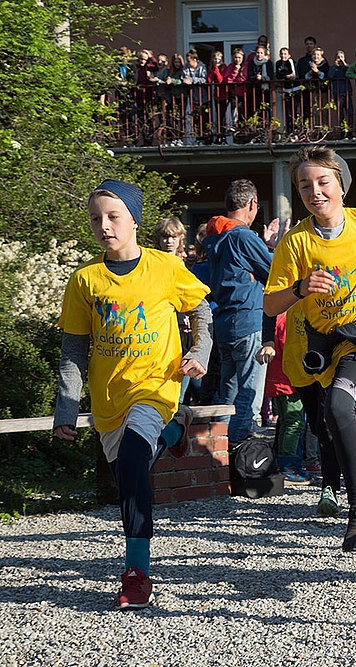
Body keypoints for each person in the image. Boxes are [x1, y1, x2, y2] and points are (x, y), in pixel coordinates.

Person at [54, 179, 212, 609]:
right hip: (109, 398)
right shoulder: (85, 280)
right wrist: (66, 407)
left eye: (113, 216)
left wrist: (198, 353)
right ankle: (177, 433)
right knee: (129, 473)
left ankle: (136, 572)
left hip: (157, 385)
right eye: (95, 219)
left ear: (135, 219)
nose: (104, 225)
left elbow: (201, 311)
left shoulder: (164, 267)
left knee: (132, 461)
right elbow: (74, 348)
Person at [263, 146, 356, 552]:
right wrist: (299, 289)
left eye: (324, 182)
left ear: (341, 184)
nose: (315, 192)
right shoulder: (296, 242)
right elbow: (270, 303)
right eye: (305, 185)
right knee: (352, 425)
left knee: (339, 407)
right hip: (326, 344)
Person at [202, 180, 272, 445]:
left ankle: (217, 447)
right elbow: (274, 270)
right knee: (249, 392)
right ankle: (239, 448)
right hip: (247, 319)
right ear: (253, 205)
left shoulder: (215, 236)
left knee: (227, 391)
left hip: (223, 323)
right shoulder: (242, 236)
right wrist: (274, 246)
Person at [260, 312, 308, 484]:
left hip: (278, 380)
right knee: (294, 423)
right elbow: (293, 349)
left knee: (285, 422)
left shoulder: (276, 317)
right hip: (289, 381)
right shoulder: (288, 320)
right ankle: (288, 468)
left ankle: (285, 465)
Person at [329, 50, 354, 139]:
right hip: (337, 93)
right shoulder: (333, 68)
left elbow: (351, 73)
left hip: (347, 92)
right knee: (341, 114)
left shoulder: (346, 67)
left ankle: (350, 133)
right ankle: (342, 133)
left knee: (350, 113)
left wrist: (345, 65)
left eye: (342, 57)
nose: (340, 59)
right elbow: (330, 76)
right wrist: (335, 66)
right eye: (338, 57)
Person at [245, 44, 273, 124]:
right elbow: (249, 77)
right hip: (255, 91)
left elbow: (271, 77)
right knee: (256, 110)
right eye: (257, 53)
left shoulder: (268, 63)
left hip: (266, 90)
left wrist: (262, 78)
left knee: (267, 110)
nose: (259, 54)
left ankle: (267, 127)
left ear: (264, 54)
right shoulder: (252, 63)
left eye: (261, 53)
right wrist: (255, 77)